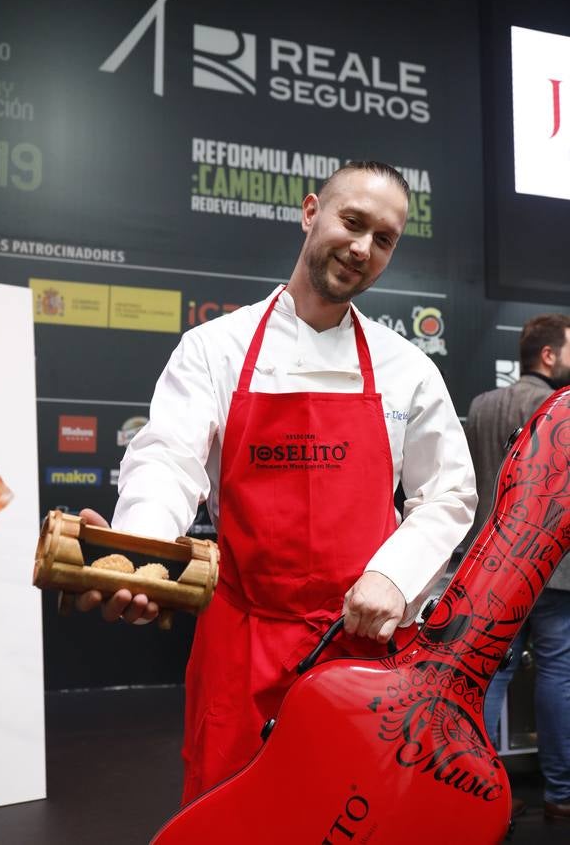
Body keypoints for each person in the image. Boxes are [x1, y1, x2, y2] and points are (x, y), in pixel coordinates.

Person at [77, 161, 477, 803]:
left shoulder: (407, 369)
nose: (362, 248)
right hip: (242, 641)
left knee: (352, 816)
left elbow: (449, 493)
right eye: (353, 222)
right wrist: (139, 554)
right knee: (232, 813)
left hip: (360, 646)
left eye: (384, 239)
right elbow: (167, 461)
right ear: (311, 211)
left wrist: (394, 576)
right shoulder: (216, 348)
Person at [465, 313, 570, 822]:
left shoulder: (482, 407)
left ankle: (471, 790)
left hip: (490, 570)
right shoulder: (564, 408)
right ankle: (561, 793)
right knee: (557, 675)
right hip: (556, 572)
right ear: (548, 355)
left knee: (487, 680)